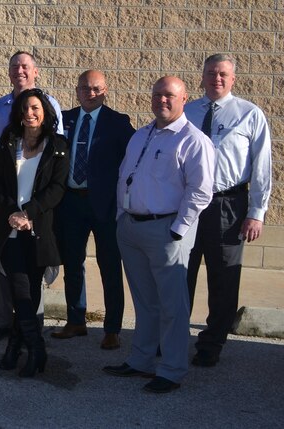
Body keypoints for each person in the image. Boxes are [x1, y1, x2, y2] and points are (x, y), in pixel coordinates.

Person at [103, 76, 214, 394]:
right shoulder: (141, 135)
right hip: (131, 228)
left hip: (166, 231)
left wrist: (179, 229)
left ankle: (171, 369)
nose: (161, 100)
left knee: (172, 305)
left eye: (169, 95)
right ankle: (141, 361)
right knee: (145, 301)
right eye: (157, 95)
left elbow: (200, 191)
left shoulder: (194, 140)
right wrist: (121, 217)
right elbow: (126, 174)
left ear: (184, 99)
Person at [184, 54, 273, 368]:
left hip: (228, 206)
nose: (216, 79)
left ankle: (211, 344)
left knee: (223, 279)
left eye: (222, 74)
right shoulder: (188, 111)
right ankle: (174, 338)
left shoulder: (249, 114)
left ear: (233, 78)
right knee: (180, 273)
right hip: (188, 205)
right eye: (211, 73)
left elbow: (262, 167)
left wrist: (256, 212)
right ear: (203, 76)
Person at [0, 51, 64, 344]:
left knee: (32, 270)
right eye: (14, 66)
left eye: (25, 66)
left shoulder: (51, 105)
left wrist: (29, 211)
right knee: (3, 260)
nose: (19, 71)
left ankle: (30, 326)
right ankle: (3, 321)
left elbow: (54, 169)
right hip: (3, 202)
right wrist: (7, 208)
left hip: (37, 208)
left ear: (35, 71)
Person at [0, 88, 69, 378]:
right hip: (8, 229)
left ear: (45, 111)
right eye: (24, 109)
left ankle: (14, 347)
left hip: (37, 231)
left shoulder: (58, 145)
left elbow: (57, 189)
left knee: (29, 293)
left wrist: (28, 213)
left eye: (35, 108)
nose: (29, 114)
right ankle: (36, 349)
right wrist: (12, 212)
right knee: (20, 290)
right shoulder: (9, 142)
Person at [53, 70, 135, 350]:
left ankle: (112, 328)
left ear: (105, 90)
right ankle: (76, 320)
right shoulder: (64, 119)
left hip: (105, 205)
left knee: (110, 265)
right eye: (85, 88)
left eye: (96, 89)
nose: (90, 93)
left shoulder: (118, 123)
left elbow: (132, 162)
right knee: (72, 264)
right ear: (76, 90)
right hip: (71, 203)